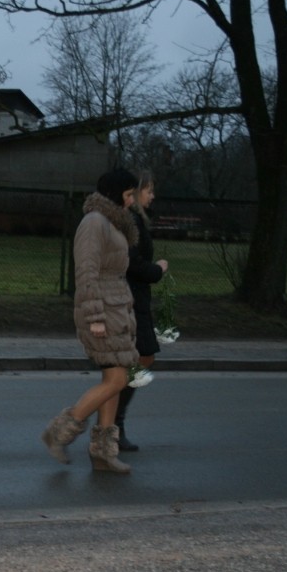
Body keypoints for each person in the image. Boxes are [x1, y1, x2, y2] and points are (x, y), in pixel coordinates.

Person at [41, 168, 139, 474]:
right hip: (102, 311)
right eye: (129, 194)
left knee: (115, 382)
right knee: (118, 379)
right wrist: (96, 317)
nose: (133, 200)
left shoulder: (112, 222)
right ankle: (58, 433)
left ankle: (102, 453)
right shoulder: (94, 222)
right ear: (115, 193)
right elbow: (86, 272)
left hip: (116, 308)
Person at [115, 170, 168, 452]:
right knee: (140, 361)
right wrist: (157, 269)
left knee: (139, 361)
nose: (152, 196)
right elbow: (132, 263)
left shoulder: (134, 220)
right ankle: (112, 421)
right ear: (135, 193)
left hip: (136, 300)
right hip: (132, 301)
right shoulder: (132, 221)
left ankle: (113, 420)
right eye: (149, 190)